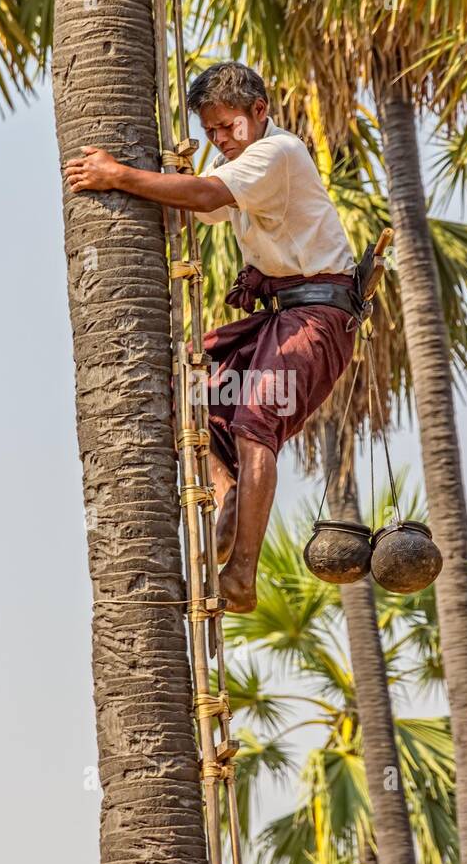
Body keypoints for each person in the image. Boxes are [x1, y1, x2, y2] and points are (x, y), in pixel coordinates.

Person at [64, 61, 359, 612]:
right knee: (193, 397)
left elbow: (202, 198)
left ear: (259, 113)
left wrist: (117, 174)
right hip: (283, 315)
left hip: (318, 319)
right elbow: (204, 205)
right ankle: (226, 500)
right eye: (212, 132)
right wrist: (164, 179)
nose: (221, 140)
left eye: (229, 128)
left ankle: (243, 573)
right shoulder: (246, 164)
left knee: (254, 423)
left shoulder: (277, 154)